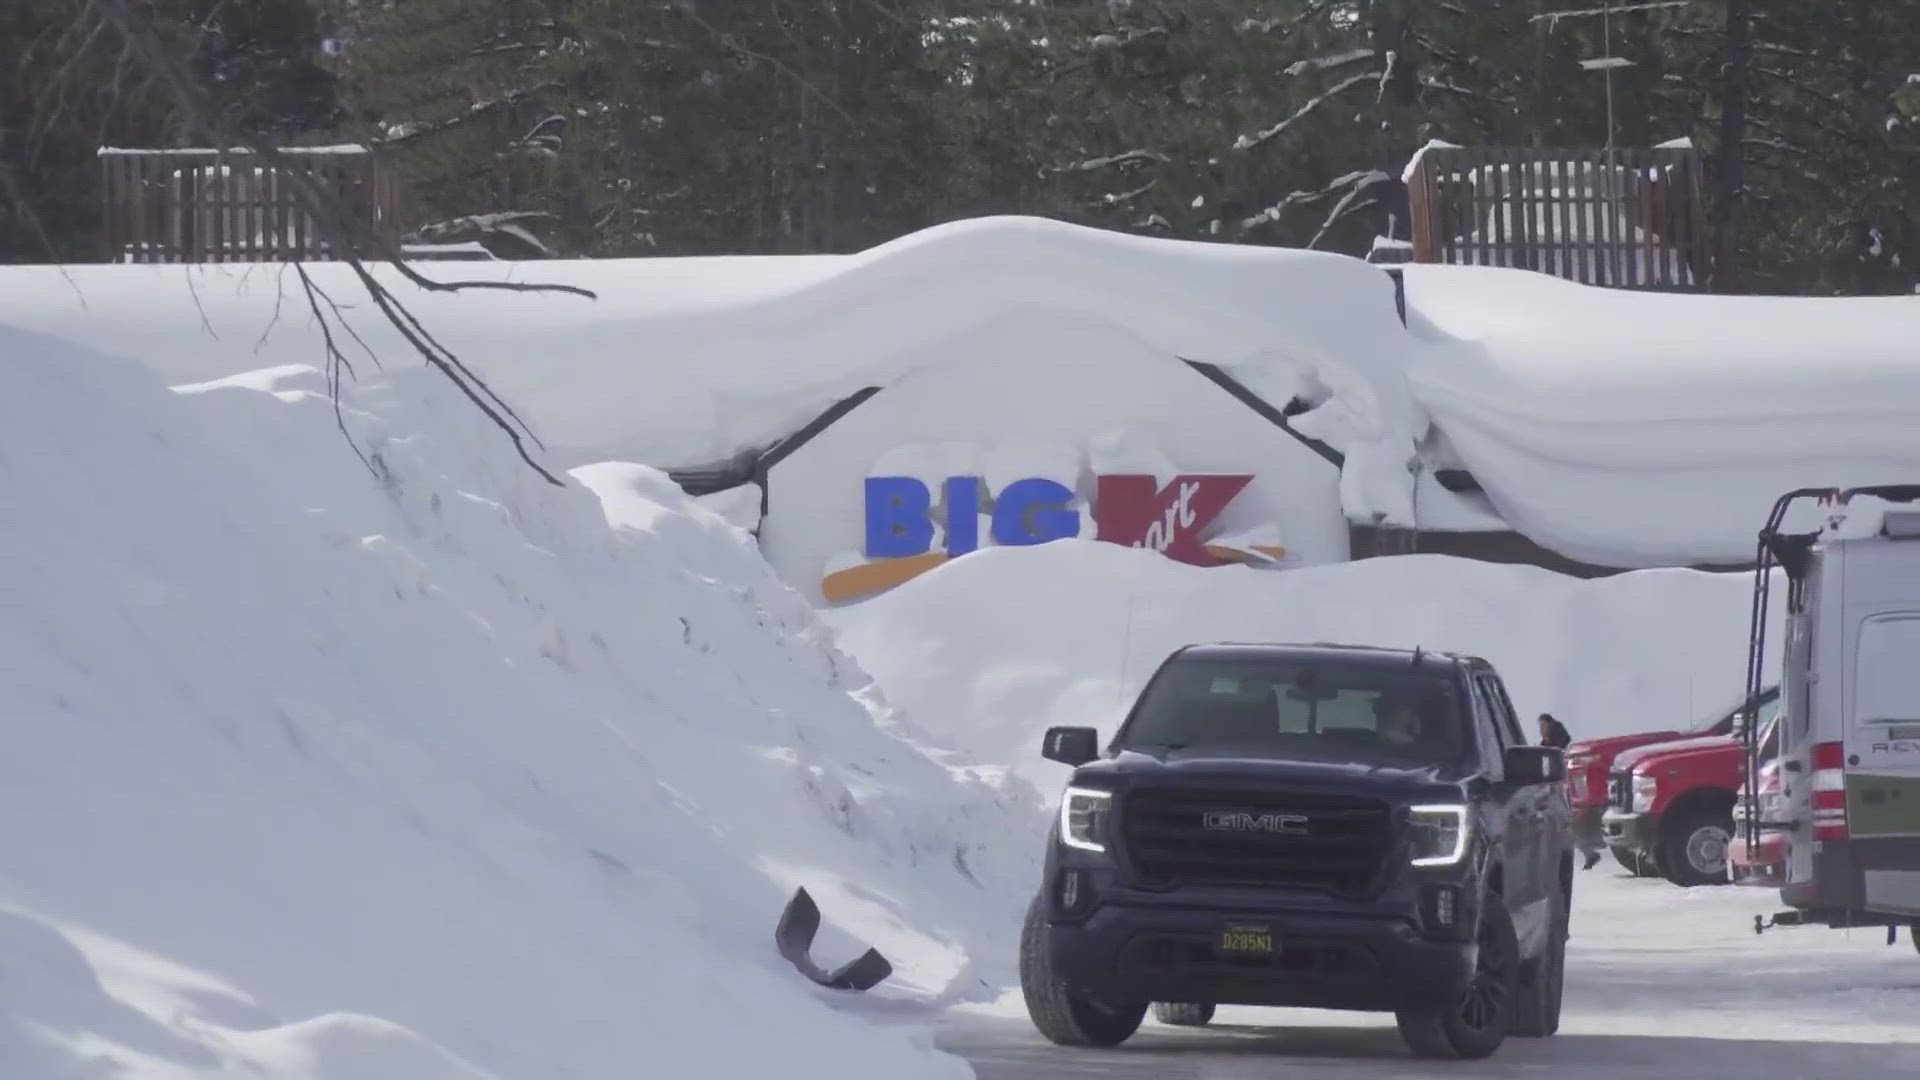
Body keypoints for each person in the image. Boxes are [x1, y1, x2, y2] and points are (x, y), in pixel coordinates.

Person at [1539, 712, 1599, 869]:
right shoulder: (1548, 747)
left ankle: (1587, 853)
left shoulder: (1559, 751)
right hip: (1554, 791)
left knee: (1565, 825)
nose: (1541, 729)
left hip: (1560, 792)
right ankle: (1588, 853)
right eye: (1541, 726)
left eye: (1544, 726)